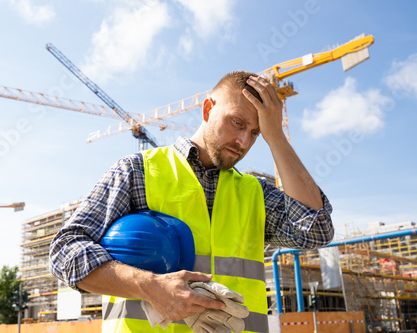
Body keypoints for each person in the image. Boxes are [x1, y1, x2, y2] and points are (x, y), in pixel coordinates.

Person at [49, 71, 334, 333]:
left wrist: (277, 138)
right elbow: (65, 252)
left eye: (256, 133)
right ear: (208, 109)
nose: (244, 141)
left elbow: (316, 230)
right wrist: (151, 287)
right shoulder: (137, 172)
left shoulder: (255, 192)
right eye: (238, 123)